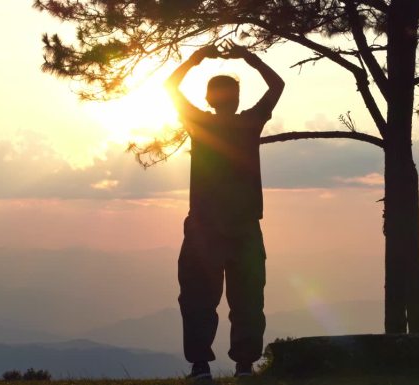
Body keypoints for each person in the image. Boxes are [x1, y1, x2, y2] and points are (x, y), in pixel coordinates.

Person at [165, 41, 284, 380]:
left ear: (207, 100)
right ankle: (244, 366)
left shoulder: (198, 124)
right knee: (247, 300)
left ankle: (200, 366)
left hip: (203, 226)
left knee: (198, 300)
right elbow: (278, 86)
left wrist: (195, 58)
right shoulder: (250, 123)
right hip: (245, 226)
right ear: (237, 99)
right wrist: (249, 58)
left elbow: (169, 87)